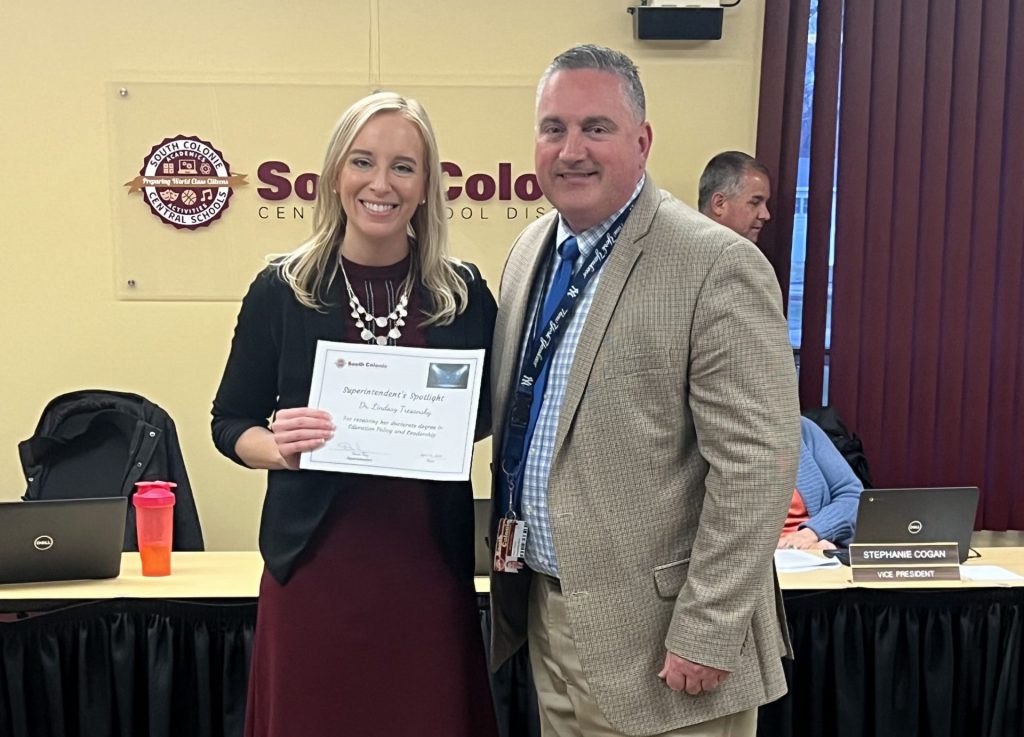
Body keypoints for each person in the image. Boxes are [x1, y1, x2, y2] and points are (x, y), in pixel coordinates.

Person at [489, 45, 801, 737]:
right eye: (553, 128)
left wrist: (709, 627)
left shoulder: (715, 263)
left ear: (642, 139)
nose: (571, 149)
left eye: (595, 128)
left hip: (666, 642)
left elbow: (759, 462)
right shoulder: (527, 254)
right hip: (551, 615)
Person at [211, 91, 498, 737]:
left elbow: (489, 413)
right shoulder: (282, 288)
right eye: (363, 161)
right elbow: (230, 421)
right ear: (336, 174)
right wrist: (278, 446)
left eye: (404, 166)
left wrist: (437, 420)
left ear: (426, 186)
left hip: (426, 570)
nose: (381, 183)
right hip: (315, 568)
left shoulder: (463, 293)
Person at [778, 416, 863, 550]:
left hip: (818, 549)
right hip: (759, 560)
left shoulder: (802, 428)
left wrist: (812, 532)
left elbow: (852, 496)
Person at [697, 151, 772, 243]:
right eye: (755, 203)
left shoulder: (746, 255)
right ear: (719, 204)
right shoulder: (683, 252)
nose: (766, 215)